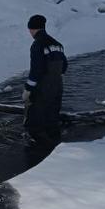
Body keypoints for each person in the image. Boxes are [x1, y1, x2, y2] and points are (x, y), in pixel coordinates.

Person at [22, 14, 67, 148]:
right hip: (57, 86)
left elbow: (36, 69)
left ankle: (38, 150)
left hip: (42, 87)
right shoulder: (58, 44)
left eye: (30, 29)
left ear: (33, 29)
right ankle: (56, 146)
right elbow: (64, 65)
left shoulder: (37, 45)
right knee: (52, 118)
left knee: (35, 120)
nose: (30, 32)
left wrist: (28, 89)